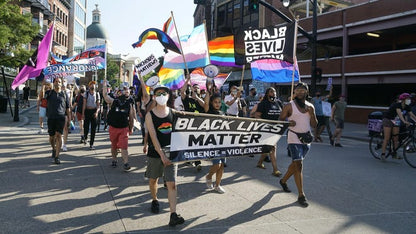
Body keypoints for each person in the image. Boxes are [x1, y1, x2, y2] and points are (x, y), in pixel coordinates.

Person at [145, 84, 185, 227]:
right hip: (155, 154)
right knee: (153, 180)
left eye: (164, 93)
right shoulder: (150, 115)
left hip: (171, 153)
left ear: (168, 96)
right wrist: (162, 155)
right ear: (154, 97)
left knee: (172, 185)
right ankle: (155, 199)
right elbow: (153, 136)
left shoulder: (174, 113)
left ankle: (173, 214)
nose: (162, 96)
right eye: (158, 93)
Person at [279, 82, 318, 207]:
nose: (301, 92)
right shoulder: (289, 105)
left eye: (303, 90)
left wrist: (311, 113)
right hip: (294, 137)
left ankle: (283, 181)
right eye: (298, 90)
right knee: (299, 164)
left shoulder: (310, 106)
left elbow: (314, 124)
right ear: (294, 92)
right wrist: (288, 123)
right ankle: (301, 195)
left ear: (307, 92)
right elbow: (281, 120)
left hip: (306, 139)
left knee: (296, 164)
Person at [103, 80, 135, 171]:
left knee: (124, 146)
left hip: (124, 128)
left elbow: (131, 117)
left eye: (126, 89)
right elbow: (105, 96)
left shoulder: (129, 104)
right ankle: (114, 159)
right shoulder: (114, 101)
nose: (125, 91)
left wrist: (131, 128)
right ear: (119, 92)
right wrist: (105, 85)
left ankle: (126, 163)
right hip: (113, 127)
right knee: (114, 145)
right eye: (123, 90)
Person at [40, 78, 70, 164]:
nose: (58, 83)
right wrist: (43, 86)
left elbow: (68, 108)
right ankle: (53, 148)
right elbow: (42, 98)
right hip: (51, 117)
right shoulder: (49, 93)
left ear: (61, 84)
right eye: (56, 82)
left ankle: (57, 156)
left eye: (59, 82)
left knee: (59, 135)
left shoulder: (64, 94)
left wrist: (69, 118)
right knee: (51, 137)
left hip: (61, 117)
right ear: (53, 83)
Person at [255, 87, 283, 177]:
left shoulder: (278, 103)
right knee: (272, 147)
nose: (274, 93)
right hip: (265, 129)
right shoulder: (263, 104)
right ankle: (275, 169)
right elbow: (257, 115)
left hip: (276, 129)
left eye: (274, 91)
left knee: (268, 148)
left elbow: (283, 115)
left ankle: (259, 163)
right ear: (267, 93)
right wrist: (265, 123)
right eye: (271, 91)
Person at [203, 86, 226, 194]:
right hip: (212, 142)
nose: (217, 104)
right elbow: (206, 103)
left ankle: (217, 185)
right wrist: (208, 91)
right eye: (215, 102)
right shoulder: (208, 111)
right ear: (212, 103)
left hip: (223, 141)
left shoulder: (222, 113)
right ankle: (209, 176)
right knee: (217, 164)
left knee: (222, 166)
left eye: (219, 102)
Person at [381, 93, 416, 160]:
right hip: (388, 119)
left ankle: (394, 154)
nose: (409, 100)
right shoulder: (397, 105)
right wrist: (405, 121)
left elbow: (412, 115)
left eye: (409, 99)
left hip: (396, 121)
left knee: (395, 138)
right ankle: (383, 154)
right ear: (403, 99)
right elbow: (400, 114)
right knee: (387, 138)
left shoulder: (407, 106)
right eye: (408, 99)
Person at [180, 77, 205, 171]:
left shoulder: (201, 100)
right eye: (194, 87)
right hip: (188, 124)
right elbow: (182, 92)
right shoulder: (187, 100)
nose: (195, 88)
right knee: (189, 143)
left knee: (196, 143)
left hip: (199, 125)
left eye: (197, 87)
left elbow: (204, 106)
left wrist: (197, 98)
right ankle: (191, 159)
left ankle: (197, 161)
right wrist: (187, 81)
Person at [82, 81, 101, 150]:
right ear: (89, 86)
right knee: (86, 127)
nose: (93, 86)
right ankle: (85, 137)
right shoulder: (86, 94)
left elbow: (98, 105)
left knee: (93, 129)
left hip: (94, 111)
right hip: (87, 111)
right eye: (91, 85)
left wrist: (96, 112)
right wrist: (83, 114)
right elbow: (84, 104)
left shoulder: (97, 94)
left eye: (94, 85)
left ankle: (91, 144)